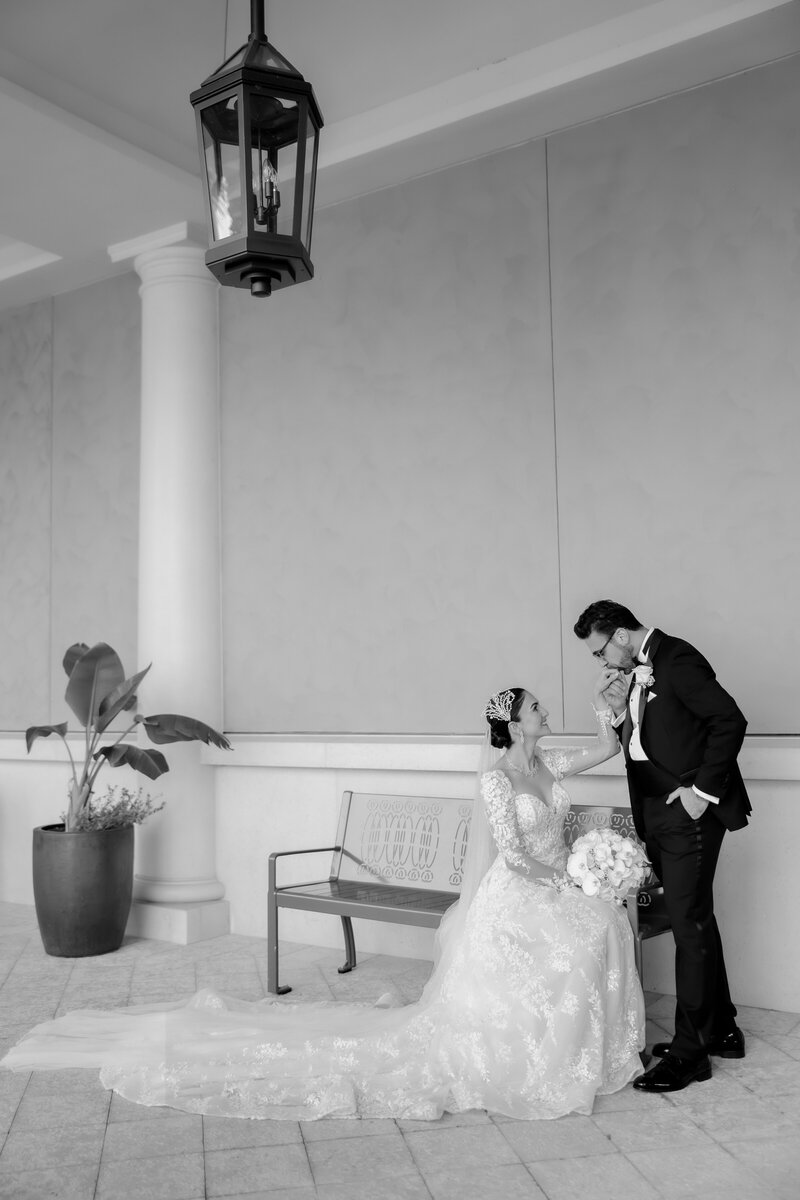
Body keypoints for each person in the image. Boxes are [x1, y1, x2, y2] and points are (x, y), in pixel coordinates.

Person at [1, 678, 644, 1120]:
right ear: (513, 723)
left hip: (557, 879)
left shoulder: (547, 763)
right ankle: (544, 1051)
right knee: (583, 932)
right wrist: (566, 879)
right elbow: (514, 854)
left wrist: (607, 708)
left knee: (603, 924)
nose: (544, 713)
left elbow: (609, 748)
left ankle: (583, 1048)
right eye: (536, 708)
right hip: (524, 886)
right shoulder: (498, 780)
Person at [574, 600, 750, 1094]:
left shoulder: (677, 657)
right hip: (657, 811)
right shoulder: (638, 670)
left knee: (688, 925)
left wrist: (700, 793)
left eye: (600, 651)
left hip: (687, 812)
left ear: (621, 635)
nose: (602, 661)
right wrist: (616, 712)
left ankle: (691, 1055)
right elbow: (650, 741)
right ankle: (722, 1029)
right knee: (696, 919)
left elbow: (730, 720)